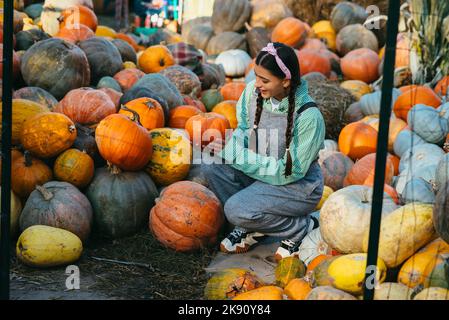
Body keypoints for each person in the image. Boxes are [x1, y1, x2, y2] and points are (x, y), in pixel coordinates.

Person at [201, 42, 326, 261]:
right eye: (256, 76)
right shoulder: (252, 93)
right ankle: (251, 225)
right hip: (262, 172)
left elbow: (288, 172)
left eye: (264, 80)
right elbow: (243, 130)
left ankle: (300, 227)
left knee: (235, 209)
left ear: (285, 81)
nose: (256, 83)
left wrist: (236, 155)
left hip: (297, 185)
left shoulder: (309, 117)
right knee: (212, 165)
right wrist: (229, 147)